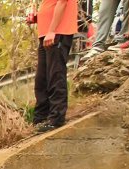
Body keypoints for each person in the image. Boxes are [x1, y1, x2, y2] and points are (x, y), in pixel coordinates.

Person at [28, 0, 77, 133]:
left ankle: (56, 118)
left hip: (57, 32)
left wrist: (52, 30)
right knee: (41, 78)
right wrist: (37, 17)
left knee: (55, 74)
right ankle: (40, 118)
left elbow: (62, 2)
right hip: (45, 34)